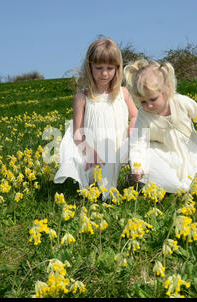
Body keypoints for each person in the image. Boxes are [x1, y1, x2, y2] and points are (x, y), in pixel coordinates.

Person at [53, 38, 138, 199]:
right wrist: (90, 152)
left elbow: (135, 115)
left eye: (109, 68)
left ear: (117, 68)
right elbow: (77, 134)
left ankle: (136, 178)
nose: (104, 73)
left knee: (145, 141)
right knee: (100, 183)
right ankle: (101, 187)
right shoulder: (82, 97)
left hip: (120, 145)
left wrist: (132, 125)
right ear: (89, 67)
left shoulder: (123, 93)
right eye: (99, 68)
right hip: (95, 151)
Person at [125, 59, 197, 193]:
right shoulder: (143, 115)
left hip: (189, 152)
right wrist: (137, 166)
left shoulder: (180, 102)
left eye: (153, 99)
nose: (148, 105)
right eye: (143, 101)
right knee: (163, 176)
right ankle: (143, 181)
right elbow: (138, 142)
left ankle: (177, 186)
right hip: (163, 153)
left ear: (167, 89)